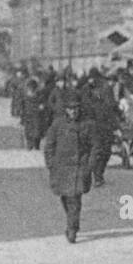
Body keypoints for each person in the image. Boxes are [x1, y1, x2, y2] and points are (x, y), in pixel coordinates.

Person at [43, 88, 93, 244]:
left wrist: (89, 166)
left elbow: (95, 147)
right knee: (65, 198)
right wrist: (51, 164)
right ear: (65, 110)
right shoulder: (58, 124)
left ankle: (72, 229)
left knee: (75, 200)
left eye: (76, 108)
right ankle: (71, 222)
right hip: (61, 168)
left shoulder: (88, 124)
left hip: (79, 167)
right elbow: (49, 145)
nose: (74, 112)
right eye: (71, 109)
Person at [83, 68, 120, 187]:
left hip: (105, 125)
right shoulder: (90, 90)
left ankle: (98, 174)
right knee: (99, 151)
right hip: (96, 125)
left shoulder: (105, 89)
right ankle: (97, 176)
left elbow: (111, 108)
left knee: (106, 152)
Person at [21, 77, 44, 150]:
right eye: (29, 86)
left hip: (36, 114)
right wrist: (22, 114)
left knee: (37, 130)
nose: (30, 88)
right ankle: (29, 144)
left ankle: (36, 144)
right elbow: (22, 104)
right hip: (28, 114)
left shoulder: (39, 94)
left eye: (32, 86)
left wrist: (41, 106)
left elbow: (42, 102)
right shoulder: (25, 94)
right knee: (28, 130)